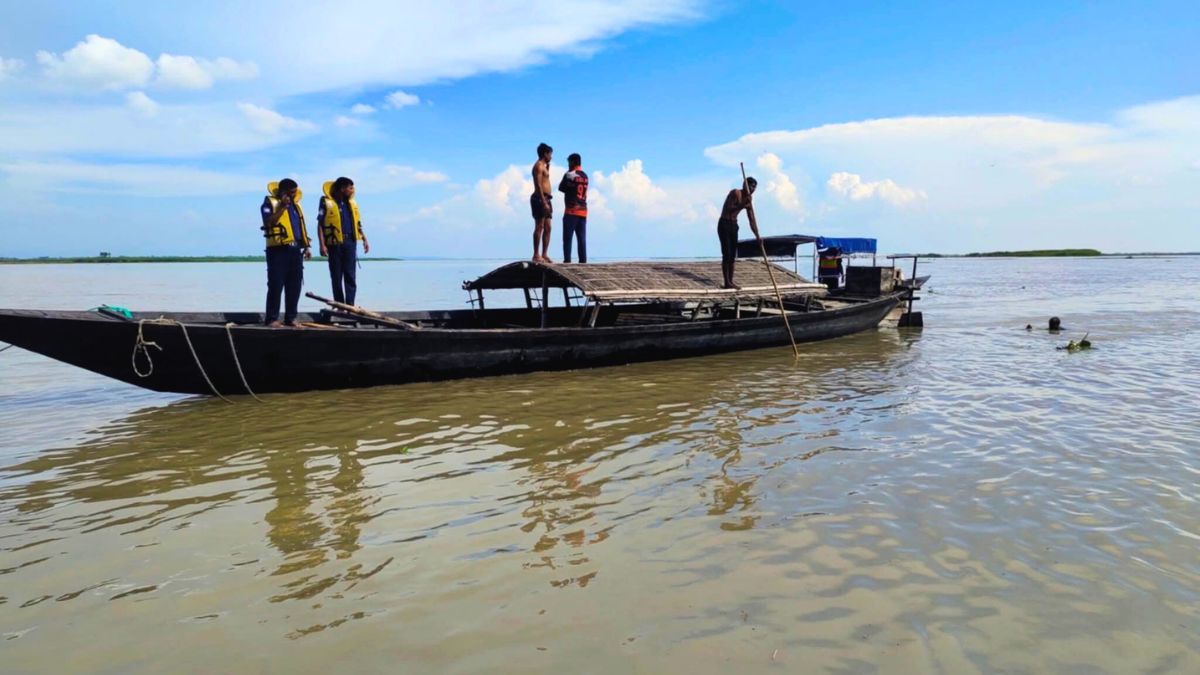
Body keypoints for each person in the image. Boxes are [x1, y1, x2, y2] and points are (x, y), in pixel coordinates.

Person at [260, 179, 312, 327]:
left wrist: (306, 247)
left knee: (295, 285)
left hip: (295, 250)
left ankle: (291, 317)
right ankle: (272, 318)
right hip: (278, 250)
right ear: (283, 192)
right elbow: (268, 223)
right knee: (276, 284)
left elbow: (299, 227)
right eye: (291, 193)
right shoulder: (269, 203)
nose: (293, 196)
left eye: (295, 193)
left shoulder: (296, 206)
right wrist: (282, 206)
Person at [318, 176, 370, 305]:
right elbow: (320, 224)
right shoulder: (326, 202)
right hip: (335, 244)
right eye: (350, 188)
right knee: (336, 275)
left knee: (350, 274)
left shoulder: (351, 203)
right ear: (342, 189)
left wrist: (364, 238)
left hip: (350, 242)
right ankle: (339, 304)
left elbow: (357, 223)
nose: (352, 190)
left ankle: (350, 305)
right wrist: (322, 245)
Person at [716, 177, 758, 288]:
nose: (752, 189)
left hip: (734, 225)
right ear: (745, 184)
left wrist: (757, 235)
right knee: (727, 254)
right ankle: (727, 282)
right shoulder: (736, 193)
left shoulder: (749, 199)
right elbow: (729, 208)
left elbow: (751, 219)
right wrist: (743, 204)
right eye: (751, 185)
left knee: (733, 255)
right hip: (724, 223)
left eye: (754, 187)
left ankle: (731, 281)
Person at [558, 153, 589, 263]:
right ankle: (583, 261)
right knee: (581, 239)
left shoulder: (569, 175)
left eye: (568, 162)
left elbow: (561, 188)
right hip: (583, 211)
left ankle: (567, 261)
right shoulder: (585, 176)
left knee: (567, 238)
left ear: (572, 162)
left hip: (571, 211)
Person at [530, 143, 554, 262]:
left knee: (548, 227)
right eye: (550, 154)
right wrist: (543, 202)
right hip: (540, 198)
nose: (551, 156)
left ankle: (544, 254)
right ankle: (536, 254)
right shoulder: (538, 166)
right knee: (539, 226)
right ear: (545, 153)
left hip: (547, 198)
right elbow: (538, 184)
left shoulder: (544, 166)